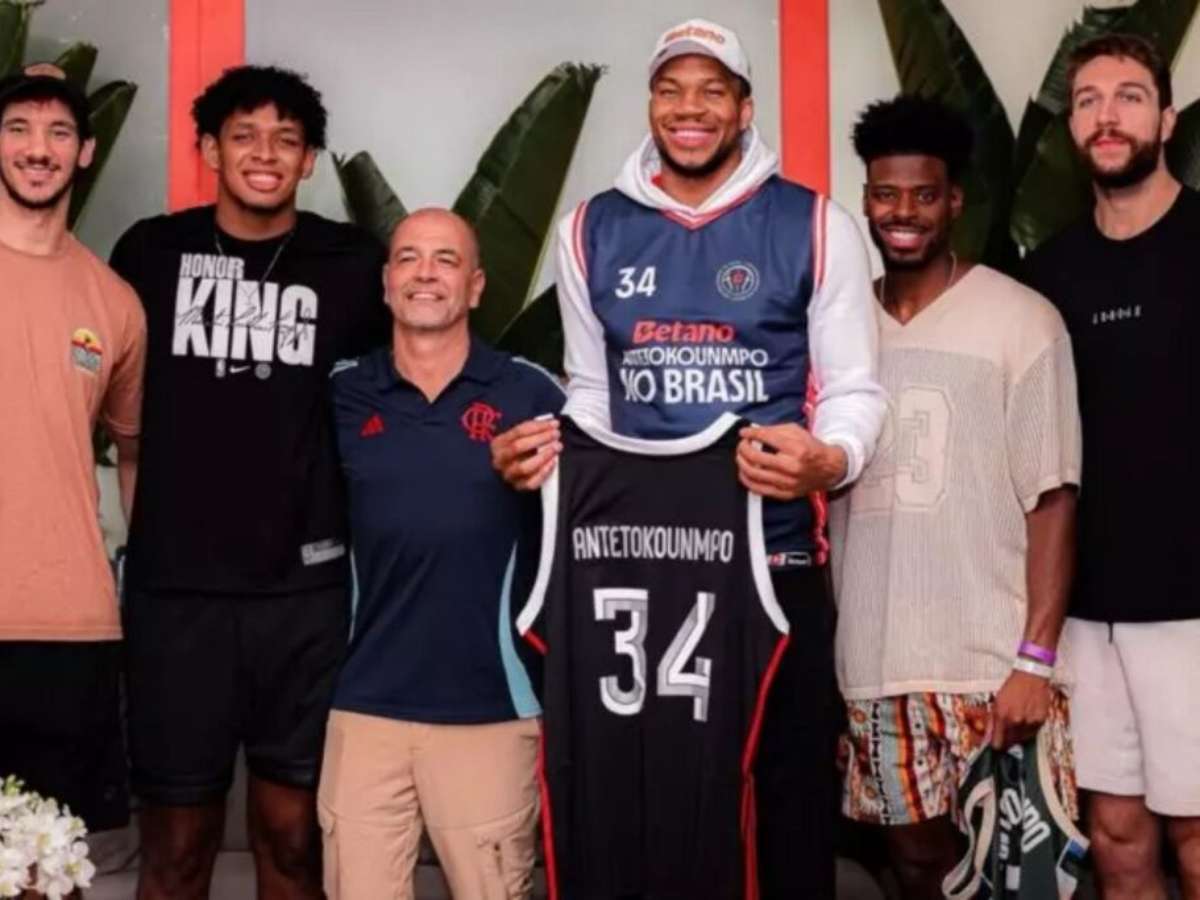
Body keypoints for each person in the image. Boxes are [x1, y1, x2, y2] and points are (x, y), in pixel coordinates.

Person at [492, 18, 886, 896]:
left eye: (712, 90)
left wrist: (830, 461)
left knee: (785, 812)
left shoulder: (814, 224)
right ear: (651, 104)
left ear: (745, 108)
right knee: (650, 808)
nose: (689, 108)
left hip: (773, 559)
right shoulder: (591, 229)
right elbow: (592, 394)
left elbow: (856, 389)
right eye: (670, 89)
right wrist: (548, 460)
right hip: (638, 569)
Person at [109, 65, 388, 899]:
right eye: (244, 136)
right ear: (209, 149)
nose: (265, 154)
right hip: (175, 597)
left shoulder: (353, 264)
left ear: (308, 161)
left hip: (303, 596)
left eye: (286, 140)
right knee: (177, 846)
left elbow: (406, 388)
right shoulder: (150, 253)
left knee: (294, 839)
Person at [832, 94, 1082, 900]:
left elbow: (1053, 500)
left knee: (1020, 875)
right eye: (885, 194)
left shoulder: (1022, 320)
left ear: (954, 201)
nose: (903, 212)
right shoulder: (837, 335)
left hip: (990, 667)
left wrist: (1034, 661)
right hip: (874, 666)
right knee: (915, 868)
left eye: (924, 194)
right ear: (865, 198)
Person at [317, 208, 562, 900]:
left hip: (492, 709)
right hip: (364, 707)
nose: (425, 274)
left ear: (476, 286)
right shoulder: (340, 392)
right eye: (408, 258)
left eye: (446, 260)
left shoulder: (532, 393)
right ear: (386, 283)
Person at [1024, 33, 1200, 900]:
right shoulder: (1047, 276)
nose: (1107, 116)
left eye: (1129, 96)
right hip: (1085, 616)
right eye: (1088, 100)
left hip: (1193, 613)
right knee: (1115, 836)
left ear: (1165, 120)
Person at [0, 67, 145, 834]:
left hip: (69, 628)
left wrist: (144, 581)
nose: (38, 148)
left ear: (86, 151)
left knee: (46, 868)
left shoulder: (113, 303)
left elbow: (133, 452)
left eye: (59, 132)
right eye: (18, 128)